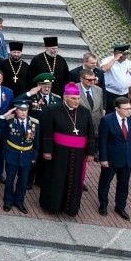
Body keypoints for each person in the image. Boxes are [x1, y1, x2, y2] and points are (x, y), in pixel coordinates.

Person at [38, 82, 98, 215]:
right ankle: (52, 206)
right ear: (65, 97)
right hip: (58, 152)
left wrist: (91, 152)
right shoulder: (53, 110)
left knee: (74, 179)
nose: (76, 101)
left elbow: (91, 133)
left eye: (77, 98)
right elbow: (47, 132)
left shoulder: (85, 112)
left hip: (78, 154)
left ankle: (70, 208)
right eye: (73, 98)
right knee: (56, 178)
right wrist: (47, 150)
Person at [97, 96, 131, 219]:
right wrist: (103, 158)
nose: (129, 111)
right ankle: (103, 204)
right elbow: (102, 141)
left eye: (130, 108)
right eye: (126, 109)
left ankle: (120, 207)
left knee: (123, 184)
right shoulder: (107, 120)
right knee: (105, 183)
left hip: (127, 159)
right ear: (117, 109)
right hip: (111, 159)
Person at [0, 97, 37, 213]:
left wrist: (34, 157)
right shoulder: (10, 120)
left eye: (25, 110)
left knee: (23, 181)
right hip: (12, 154)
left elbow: (37, 142)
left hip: (27, 156)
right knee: (10, 180)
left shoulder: (34, 123)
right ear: (16, 110)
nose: (23, 112)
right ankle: (8, 201)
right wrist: (4, 116)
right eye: (21, 110)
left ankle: (19, 201)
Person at [99, 43, 131, 113]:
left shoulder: (128, 62)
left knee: (122, 113)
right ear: (116, 53)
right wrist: (114, 59)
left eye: (126, 54)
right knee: (109, 113)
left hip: (124, 93)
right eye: (123, 54)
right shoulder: (108, 60)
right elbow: (103, 70)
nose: (125, 56)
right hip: (110, 93)